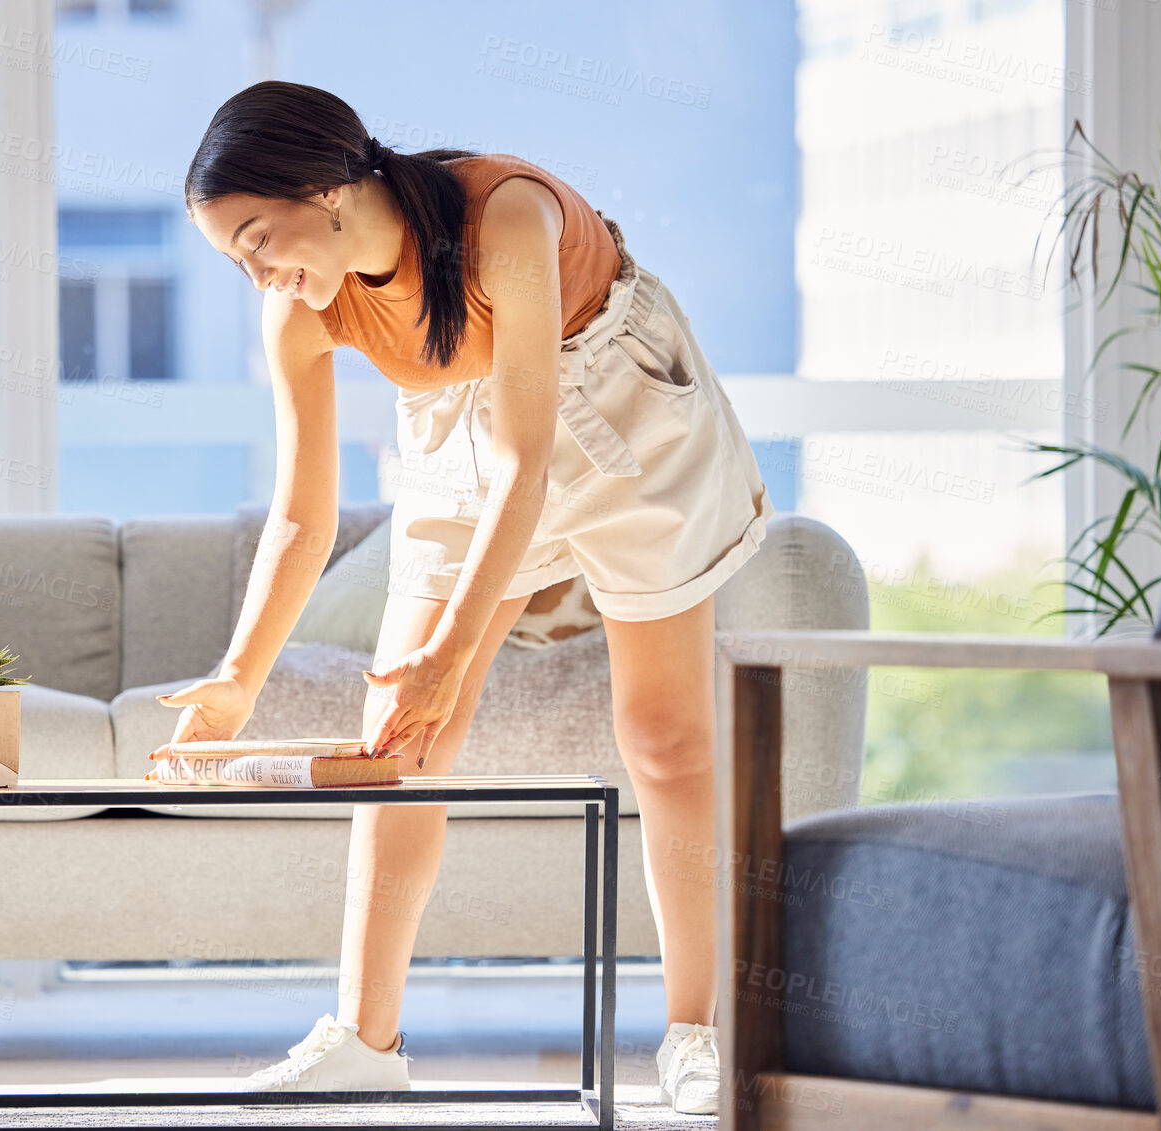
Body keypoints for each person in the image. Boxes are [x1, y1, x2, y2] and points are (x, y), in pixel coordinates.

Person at [163, 80, 771, 1116]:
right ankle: (364, 1039)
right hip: (456, 433)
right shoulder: (299, 317)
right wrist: (236, 681)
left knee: (664, 736)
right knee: (395, 742)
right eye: (237, 260)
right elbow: (305, 517)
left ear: (330, 188)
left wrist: (454, 651)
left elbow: (529, 457)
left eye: (261, 238)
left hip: (620, 400)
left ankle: (700, 1032)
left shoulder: (508, 217)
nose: (259, 274)